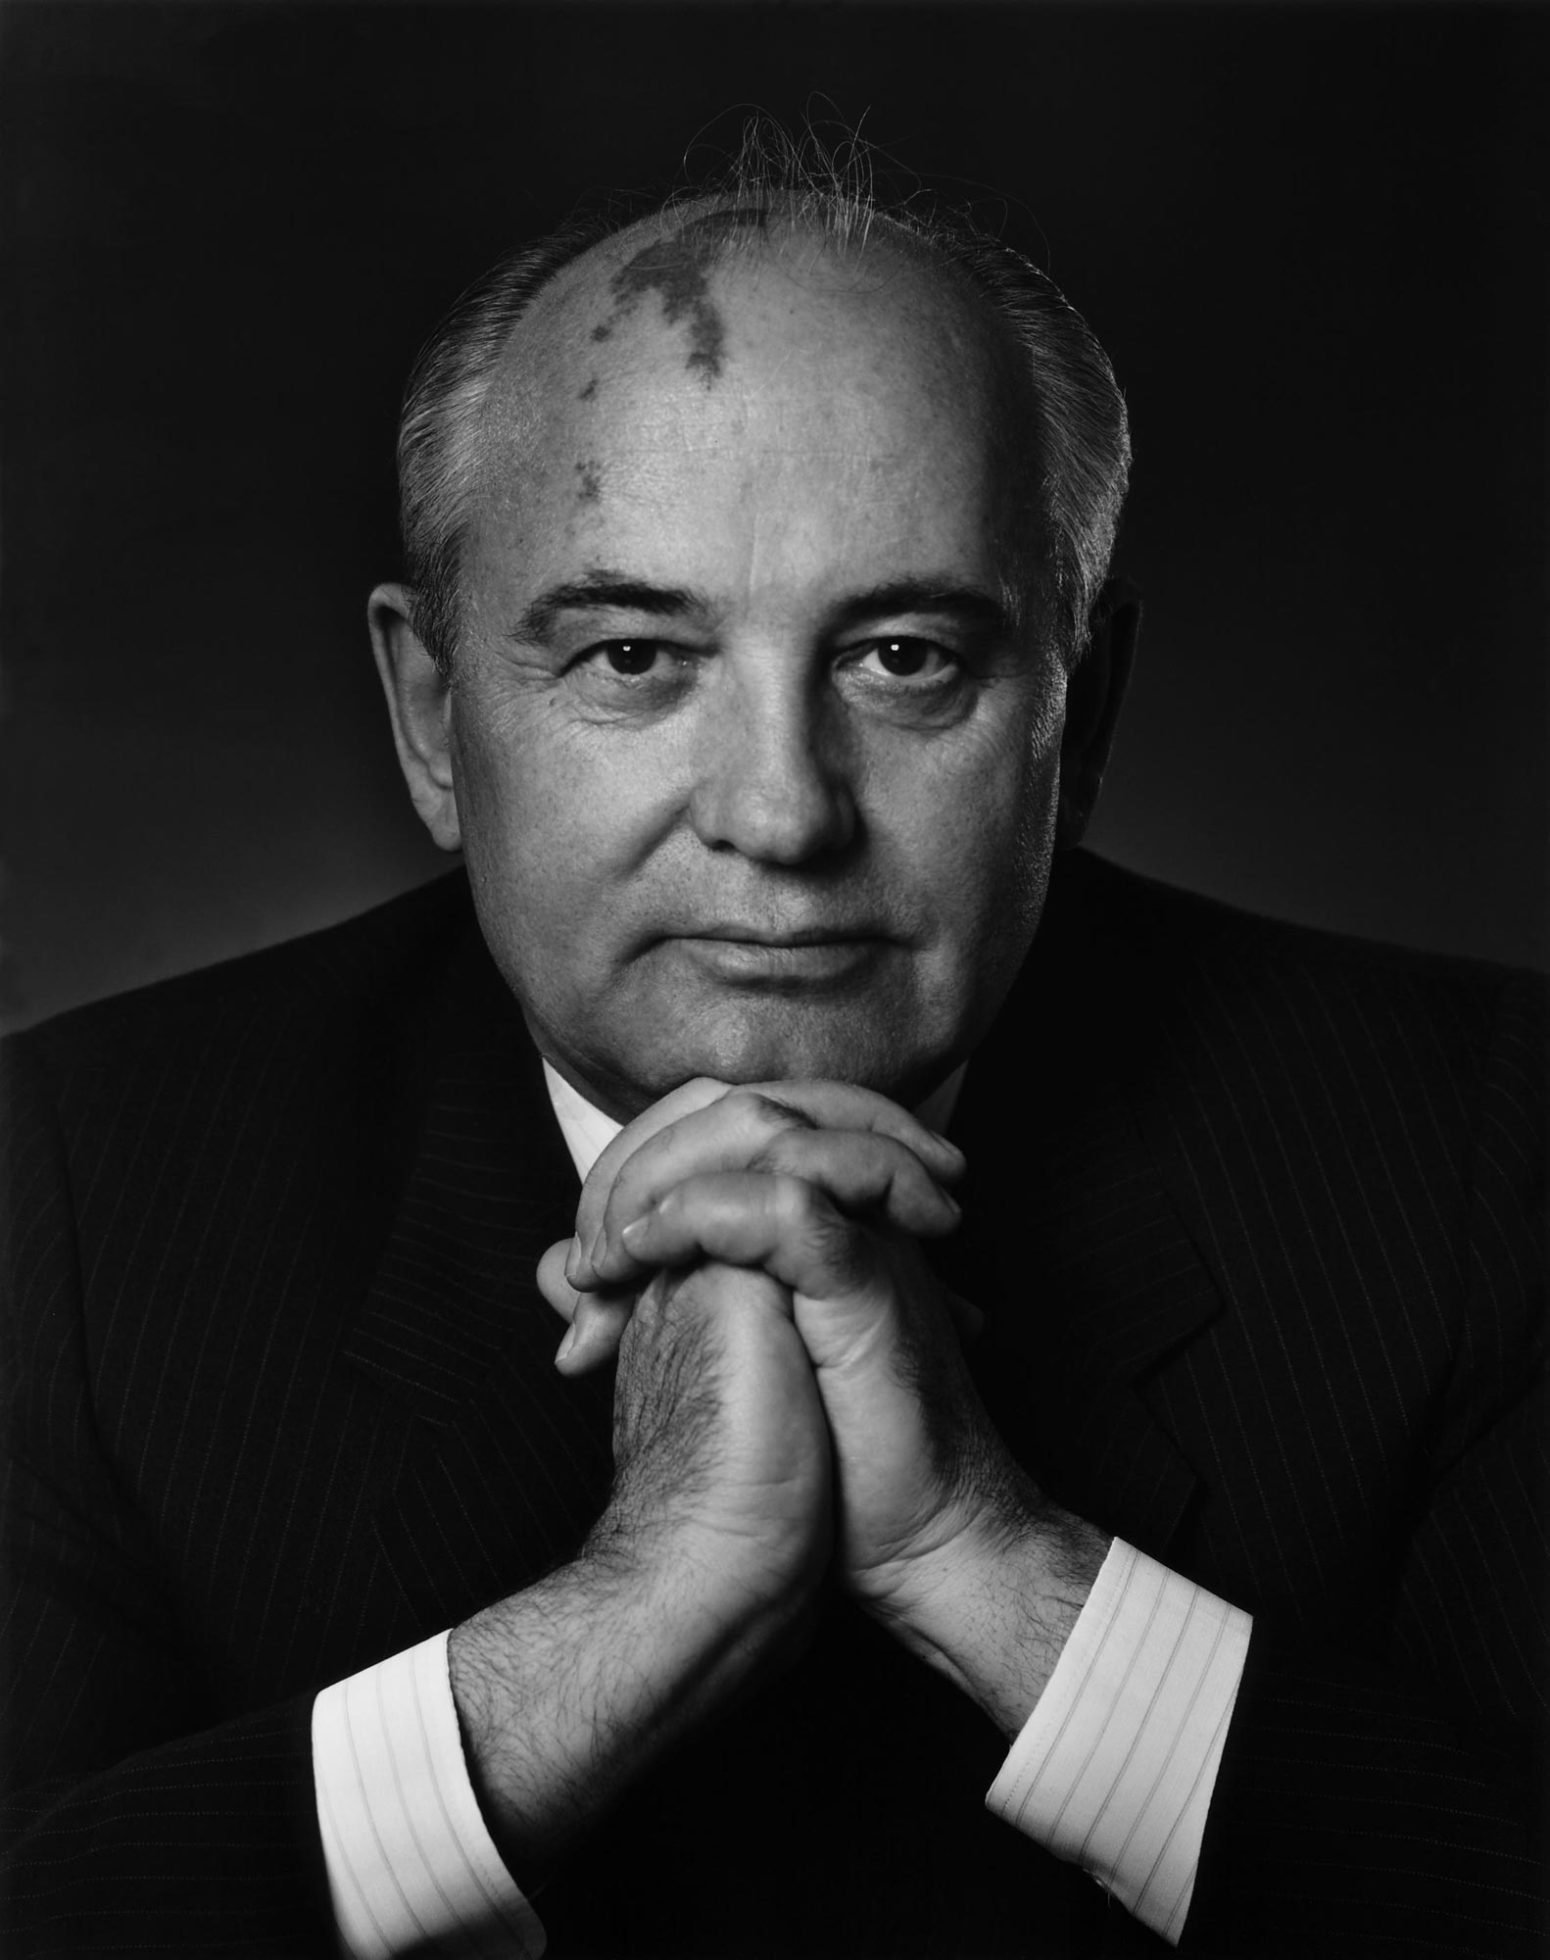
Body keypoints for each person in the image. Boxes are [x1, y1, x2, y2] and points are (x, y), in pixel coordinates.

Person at [2, 130, 1543, 1959]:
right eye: (634, 658)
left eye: (903, 658)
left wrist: (991, 1559)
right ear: (431, 717)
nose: (780, 814)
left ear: (1082, 714)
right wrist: (618, 1621)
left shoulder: (1483, 1152)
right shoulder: (67, 1192)